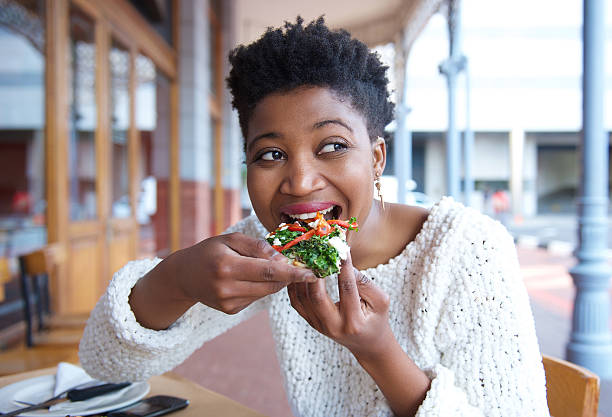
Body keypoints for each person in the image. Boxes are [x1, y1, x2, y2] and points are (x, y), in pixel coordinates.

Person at [79, 17, 550, 417]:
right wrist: (177, 278)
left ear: (377, 158)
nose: (300, 182)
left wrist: (378, 352)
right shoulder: (263, 248)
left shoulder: (467, 248)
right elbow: (105, 363)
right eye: (270, 154)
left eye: (333, 146)